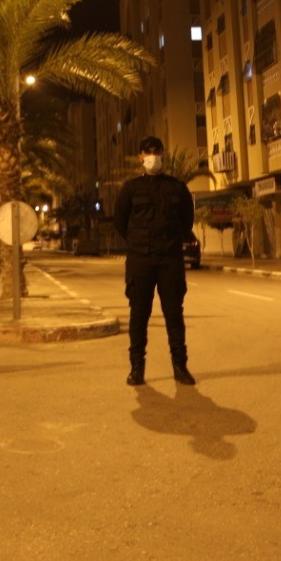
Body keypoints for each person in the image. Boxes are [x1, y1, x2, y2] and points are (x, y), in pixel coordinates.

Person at [113, 135, 196, 387]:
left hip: (170, 260)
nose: (152, 156)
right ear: (141, 156)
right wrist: (137, 242)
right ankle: (136, 368)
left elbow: (187, 221)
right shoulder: (131, 188)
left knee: (174, 315)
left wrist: (171, 240)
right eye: (148, 152)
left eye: (156, 151)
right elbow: (120, 221)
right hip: (140, 261)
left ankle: (180, 367)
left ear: (163, 154)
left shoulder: (177, 188)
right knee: (139, 315)